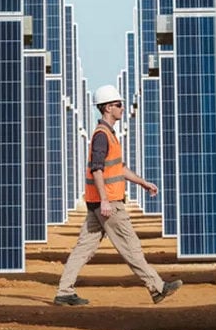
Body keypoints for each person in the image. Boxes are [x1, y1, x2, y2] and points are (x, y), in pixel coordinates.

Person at [53, 84, 183, 306]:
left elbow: (118, 168)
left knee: (83, 248)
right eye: (118, 105)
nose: (122, 108)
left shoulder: (108, 135)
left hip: (99, 203)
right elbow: (97, 169)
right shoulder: (102, 136)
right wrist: (105, 200)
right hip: (109, 203)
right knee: (130, 246)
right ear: (107, 108)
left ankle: (64, 292)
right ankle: (157, 287)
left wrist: (142, 183)